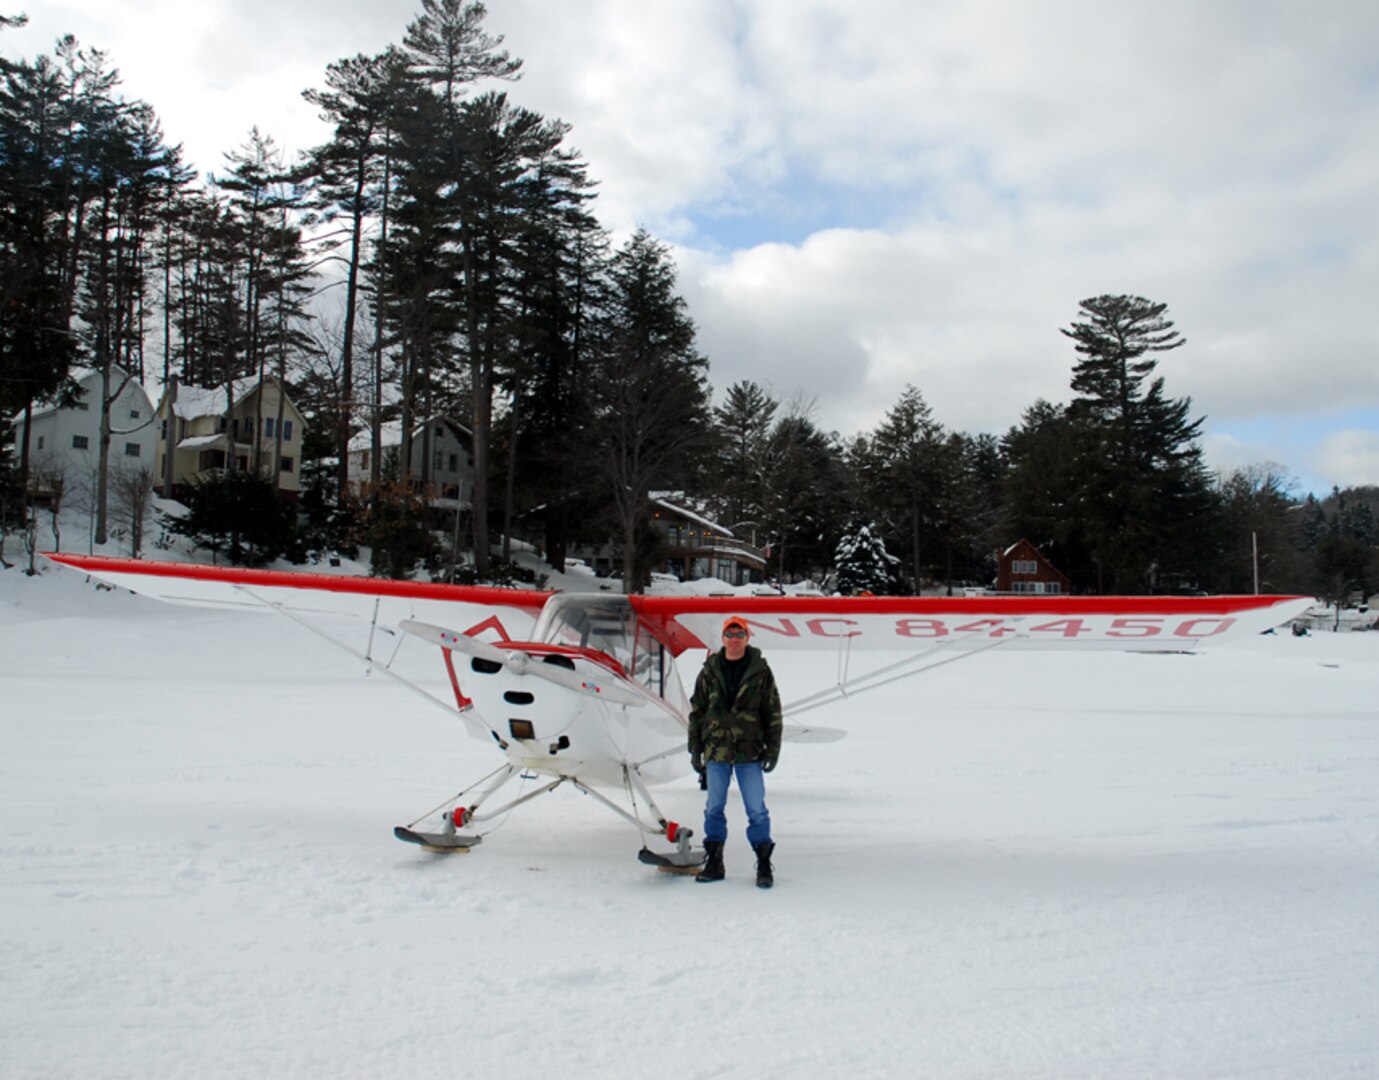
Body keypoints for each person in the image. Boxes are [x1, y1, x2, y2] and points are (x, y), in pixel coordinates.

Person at [687, 615, 783, 888]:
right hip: (716, 750)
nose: (734, 640)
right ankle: (714, 861)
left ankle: (764, 863)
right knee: (713, 808)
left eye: (740, 635)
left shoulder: (760, 672)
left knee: (757, 809)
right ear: (723, 639)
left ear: (747, 638)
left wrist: (773, 748)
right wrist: (695, 747)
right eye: (730, 635)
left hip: (749, 751)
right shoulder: (709, 670)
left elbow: (772, 711)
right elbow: (698, 711)